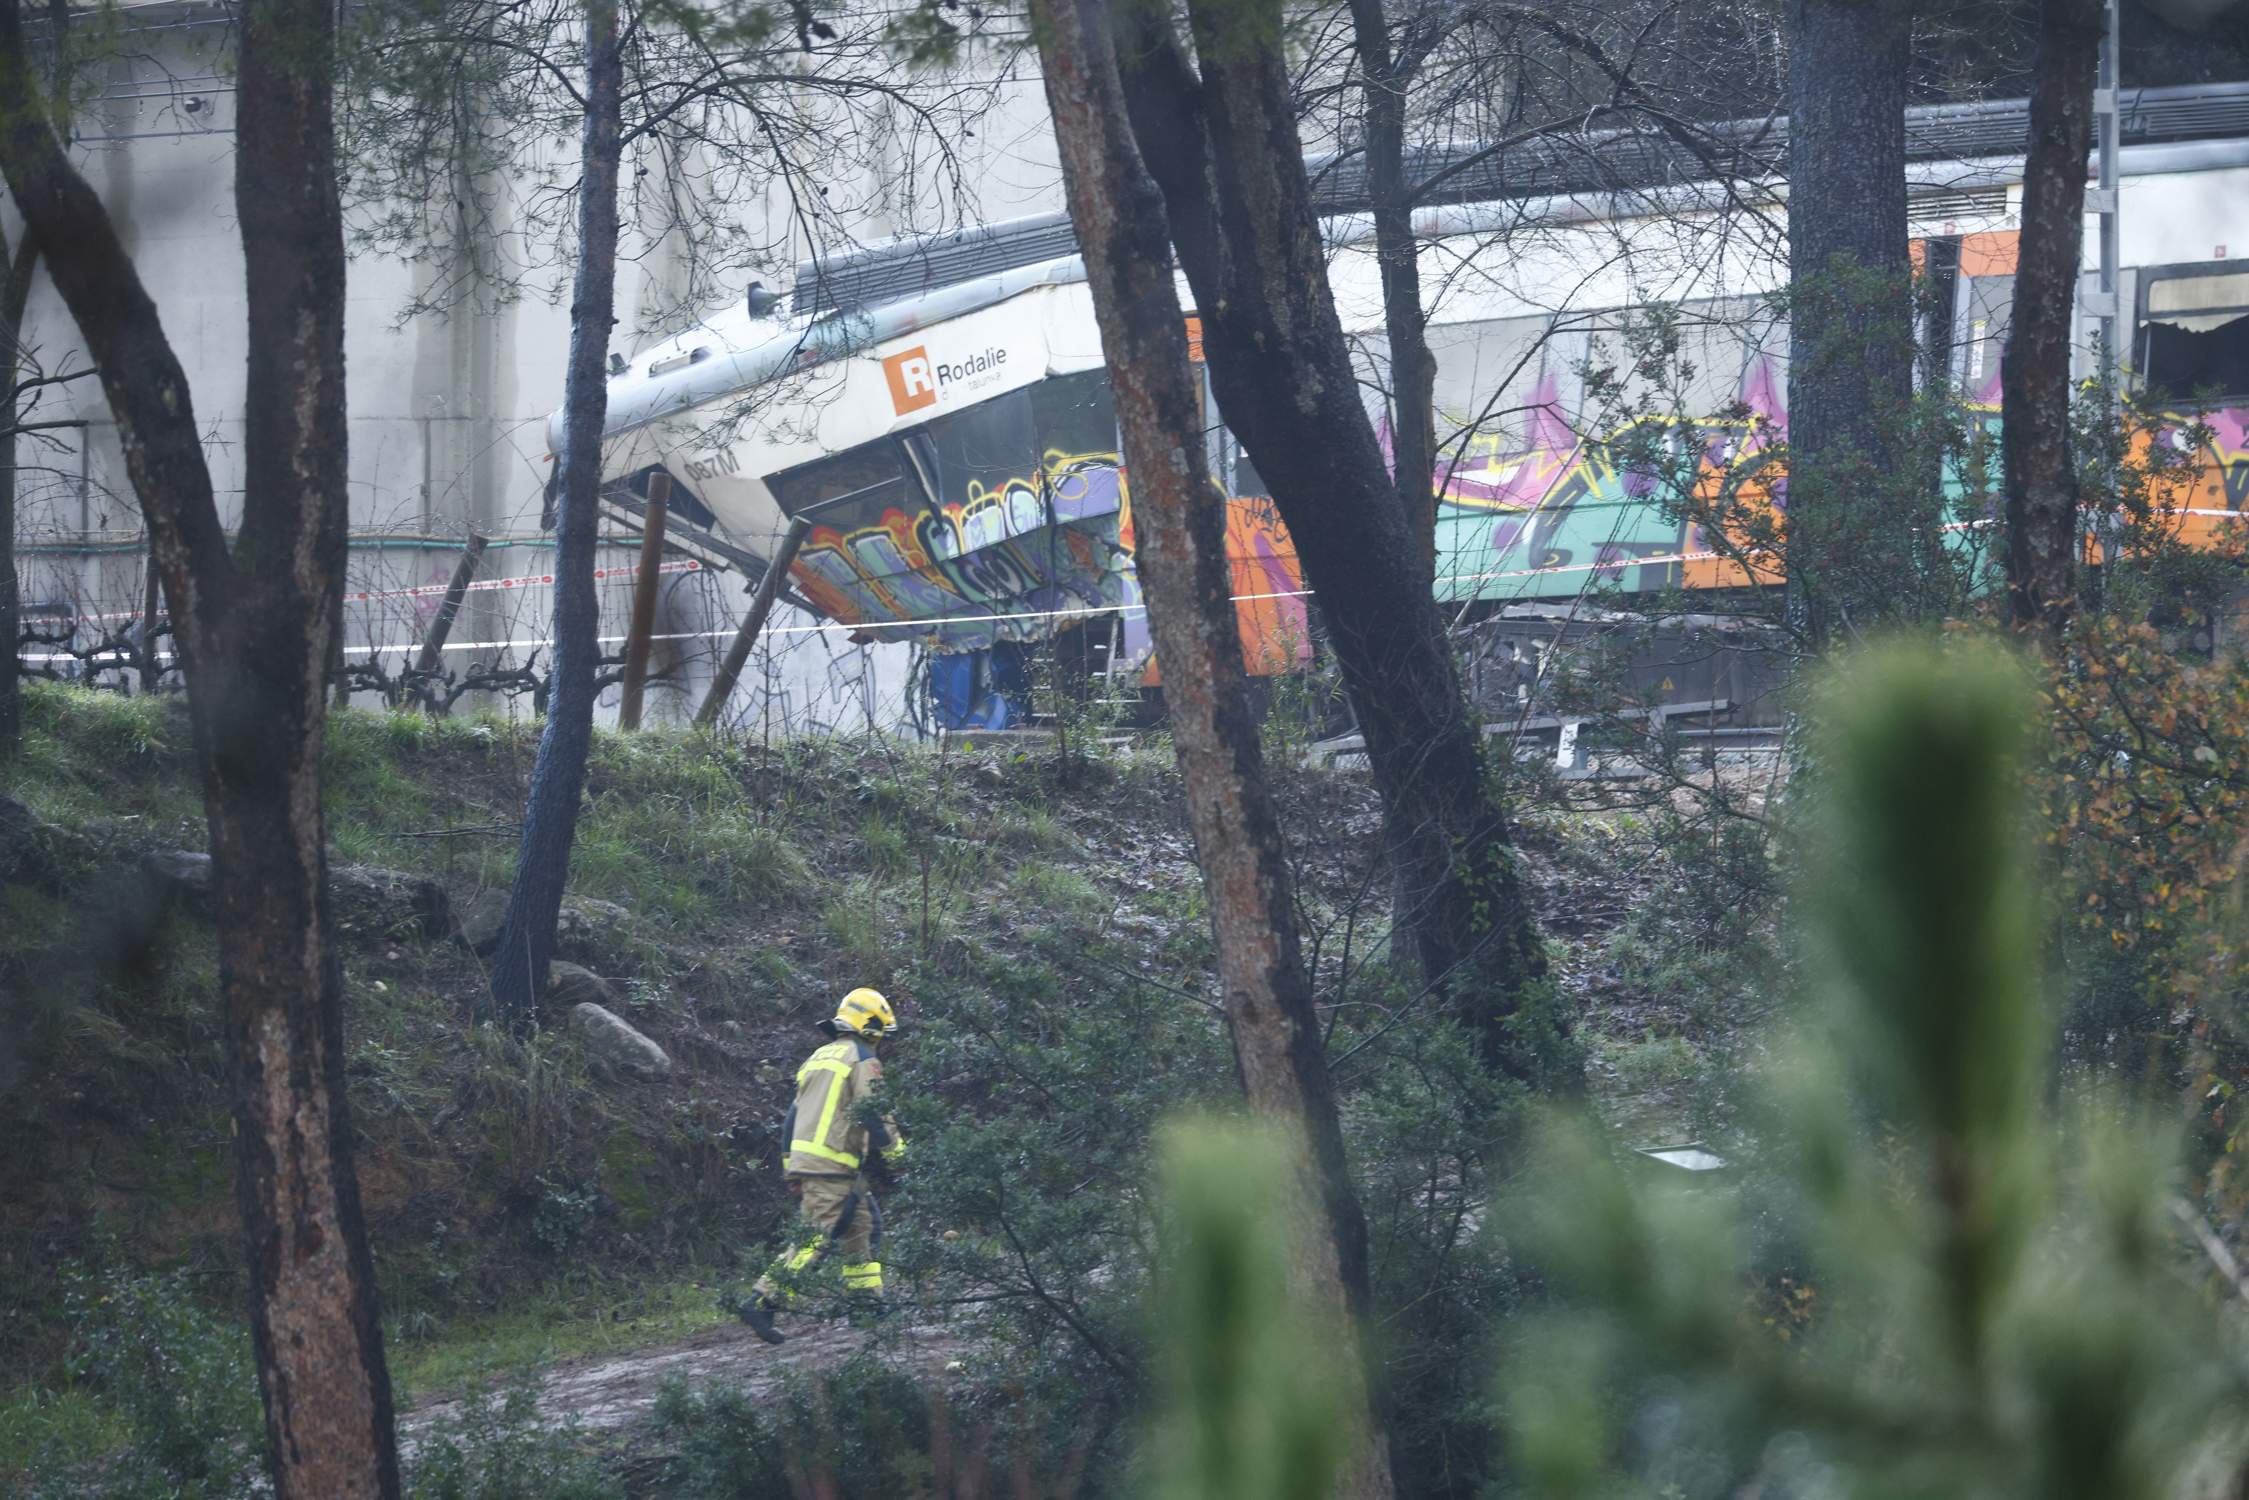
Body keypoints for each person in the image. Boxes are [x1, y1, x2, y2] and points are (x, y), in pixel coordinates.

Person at [736, 986, 905, 1345]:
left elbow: (792, 1117)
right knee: (816, 1236)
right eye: (882, 1035)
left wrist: (790, 1168)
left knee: (861, 1228)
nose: (882, 1043)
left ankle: (866, 1305)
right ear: (871, 1028)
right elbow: (875, 1113)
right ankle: (763, 1299)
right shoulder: (862, 1059)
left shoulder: (818, 1057)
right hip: (834, 1163)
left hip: (815, 1162)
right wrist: (902, 1158)